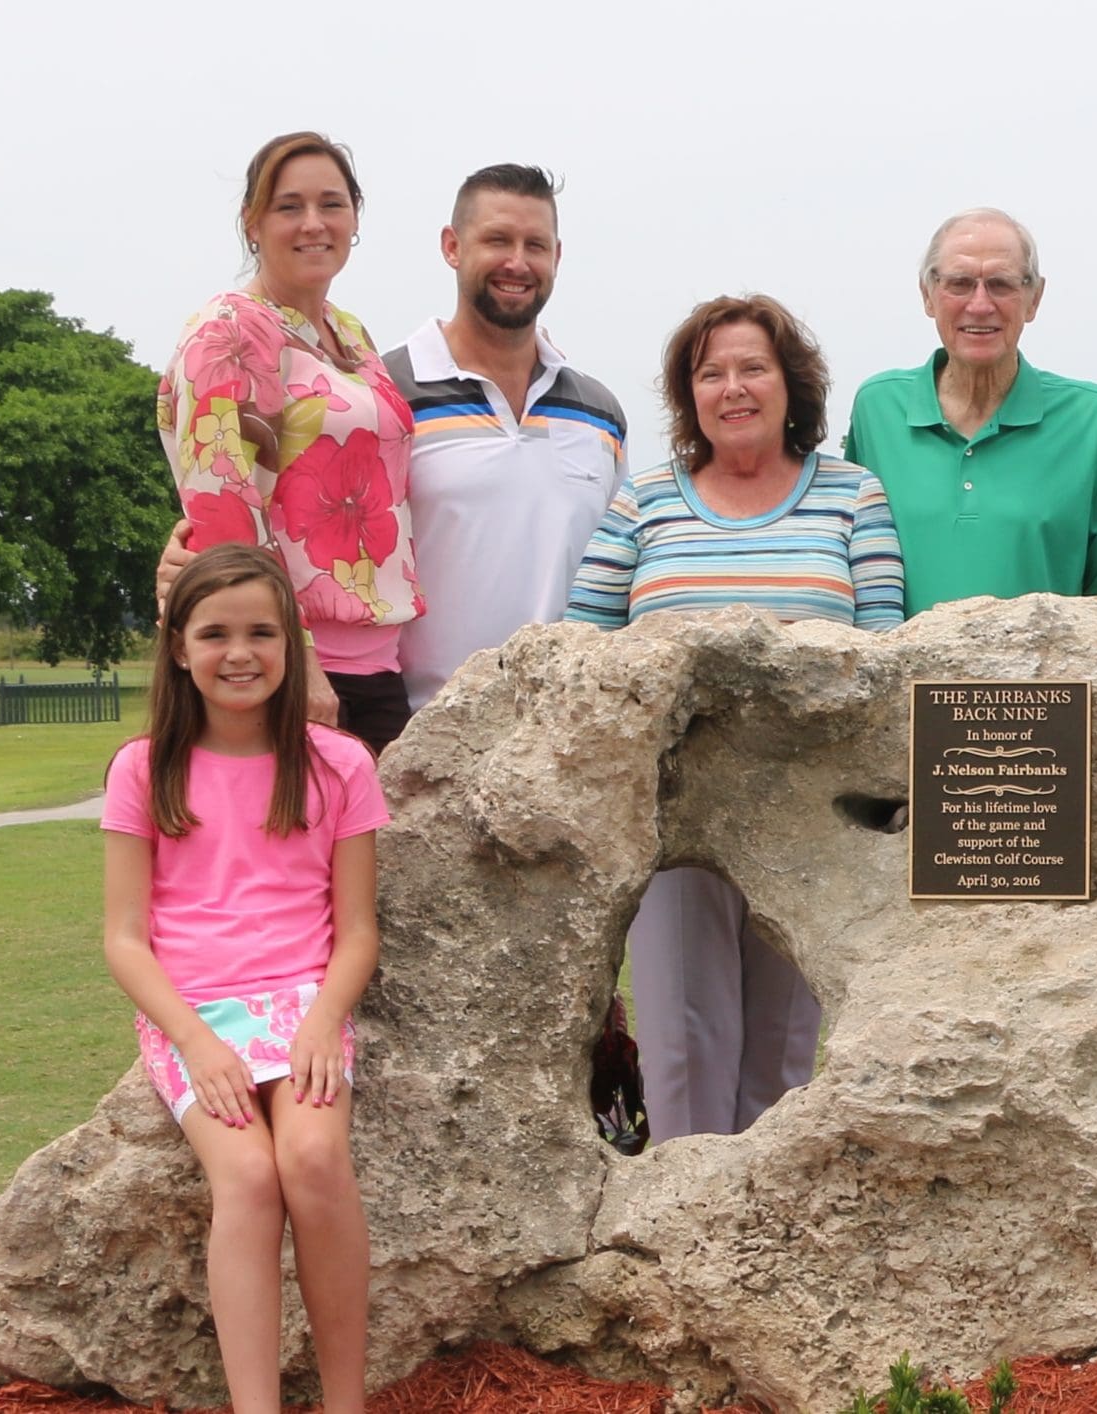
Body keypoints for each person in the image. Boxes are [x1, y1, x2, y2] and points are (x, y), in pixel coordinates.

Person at [566, 294, 903, 1142]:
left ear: (792, 383)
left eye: (753, 367)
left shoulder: (851, 496)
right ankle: (682, 1222)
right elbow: (580, 642)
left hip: (807, 810)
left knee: (787, 1040)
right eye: (710, 372)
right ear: (689, 395)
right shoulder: (645, 500)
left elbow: (889, 645)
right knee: (683, 1030)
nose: (734, 388)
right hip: (677, 807)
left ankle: (771, 1234)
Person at [158, 162, 628, 715]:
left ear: (558, 256)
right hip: (414, 718)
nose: (517, 262)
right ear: (452, 246)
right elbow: (248, 494)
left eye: (535, 244)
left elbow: (618, 564)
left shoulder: (601, 415)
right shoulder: (387, 398)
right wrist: (193, 565)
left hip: (555, 730)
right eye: (496, 240)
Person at [100, 543, 385, 1414]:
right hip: (193, 1014)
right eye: (215, 633)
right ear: (178, 647)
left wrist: (320, 1023)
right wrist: (196, 1041)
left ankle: (347, 1401)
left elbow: (358, 933)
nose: (240, 653)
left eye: (262, 631)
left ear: (292, 644)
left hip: (303, 1000)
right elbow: (123, 938)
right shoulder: (143, 769)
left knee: (311, 1157)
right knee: (250, 1177)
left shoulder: (339, 763)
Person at [157, 132, 421, 754]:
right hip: (284, 672)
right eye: (288, 206)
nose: (313, 224)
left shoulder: (350, 335)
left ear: (355, 217)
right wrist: (299, 664)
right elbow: (223, 511)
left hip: (376, 663)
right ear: (252, 222)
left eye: (332, 204)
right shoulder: (226, 333)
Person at [842, 207, 1097, 615]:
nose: (980, 305)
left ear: (1034, 298)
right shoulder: (877, 410)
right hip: (906, 678)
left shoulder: (1096, 422)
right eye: (960, 283)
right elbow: (856, 572)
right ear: (927, 295)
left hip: (1045, 678)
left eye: (1000, 285)